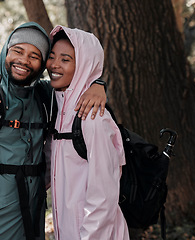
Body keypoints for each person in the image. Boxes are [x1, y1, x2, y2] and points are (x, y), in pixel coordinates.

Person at [0, 22, 106, 240]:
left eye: (34, 56)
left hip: (31, 216)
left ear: (42, 63)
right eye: (18, 51)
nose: (24, 60)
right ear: (6, 50)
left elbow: (75, 83)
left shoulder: (44, 95)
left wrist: (98, 84)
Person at [47, 26, 130, 240]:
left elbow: (104, 196)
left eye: (65, 59)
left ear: (84, 65)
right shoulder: (57, 108)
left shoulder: (93, 118)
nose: (54, 65)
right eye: (52, 56)